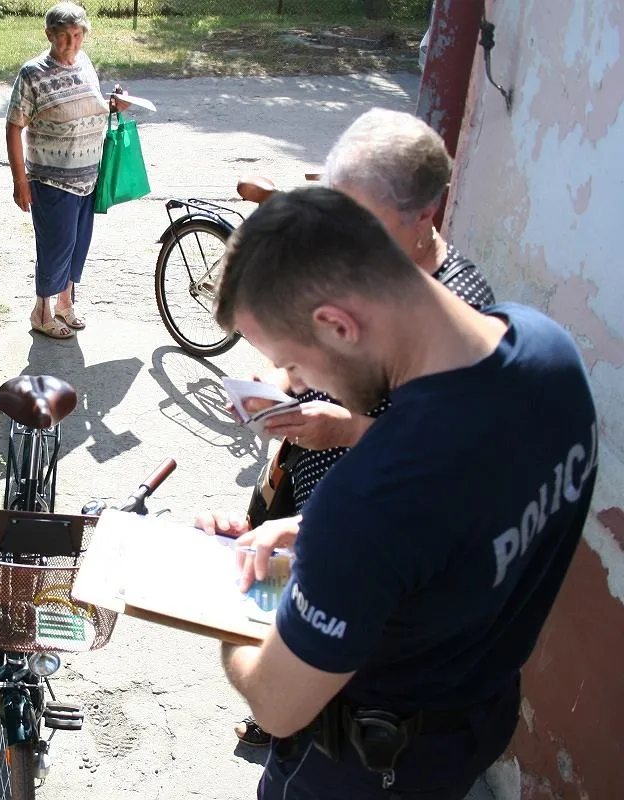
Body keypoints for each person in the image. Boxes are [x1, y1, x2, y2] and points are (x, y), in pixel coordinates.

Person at [207, 186, 598, 799]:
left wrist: (229, 602)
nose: (297, 385)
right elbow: (465, 513)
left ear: (337, 325)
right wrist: (310, 539)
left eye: (293, 366)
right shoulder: (550, 352)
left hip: (357, 770)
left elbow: (277, 706)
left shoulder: (367, 500)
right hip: (473, 721)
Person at [226, 107, 498, 747]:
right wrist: (287, 385)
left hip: (374, 531)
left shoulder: (462, 309)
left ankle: (303, 715)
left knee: (317, 674)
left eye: (363, 226)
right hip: (312, 484)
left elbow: (453, 461)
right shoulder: (366, 272)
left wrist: (346, 430)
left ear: (426, 213)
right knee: (278, 601)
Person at [6, 2, 129, 339]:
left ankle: (65, 303)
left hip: (89, 176)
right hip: (51, 179)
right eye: (64, 37)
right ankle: (41, 312)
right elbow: (13, 126)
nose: (72, 43)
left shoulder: (85, 63)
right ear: (49, 35)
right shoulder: (32, 73)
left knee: (77, 247)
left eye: (78, 35)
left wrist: (115, 104)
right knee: (55, 248)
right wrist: (20, 180)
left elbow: (92, 106)